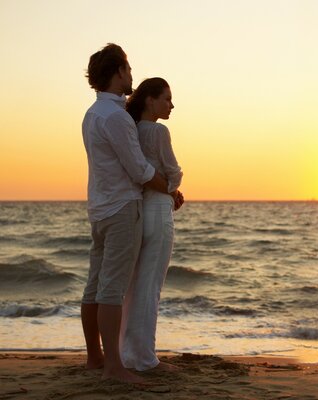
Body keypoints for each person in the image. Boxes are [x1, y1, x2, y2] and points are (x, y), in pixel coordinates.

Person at [80, 44, 181, 383]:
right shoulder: (117, 118)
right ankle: (114, 366)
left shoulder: (94, 113)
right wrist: (170, 189)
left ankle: (95, 358)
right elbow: (139, 169)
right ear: (119, 72)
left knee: (95, 287)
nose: (132, 77)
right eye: (128, 69)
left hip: (98, 207)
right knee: (113, 289)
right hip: (123, 208)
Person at [120, 78, 183, 372]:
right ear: (150, 100)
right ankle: (145, 358)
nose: (171, 105)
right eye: (167, 99)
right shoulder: (159, 131)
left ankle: (128, 353)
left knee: (134, 286)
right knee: (150, 287)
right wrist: (174, 188)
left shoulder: (131, 130)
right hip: (159, 211)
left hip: (140, 210)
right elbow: (173, 173)